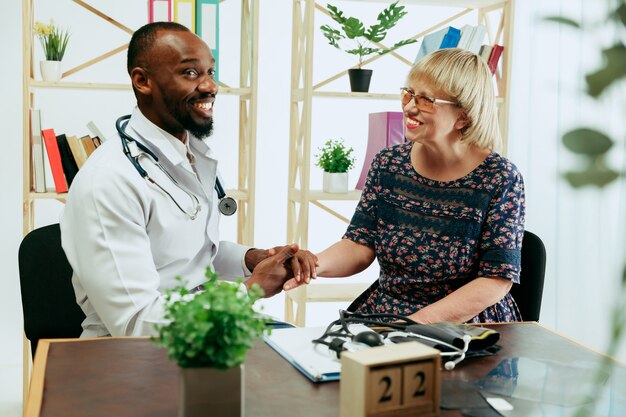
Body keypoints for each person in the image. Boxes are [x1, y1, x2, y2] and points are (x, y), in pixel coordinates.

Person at [60, 22, 316, 337]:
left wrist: (254, 259)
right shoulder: (110, 181)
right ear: (142, 81)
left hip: (199, 332)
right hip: (133, 354)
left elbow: (186, 254)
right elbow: (134, 321)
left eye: (210, 72)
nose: (210, 86)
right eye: (191, 73)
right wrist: (249, 291)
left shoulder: (188, 155)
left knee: (308, 352)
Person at [285, 48, 525, 324]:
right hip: (387, 315)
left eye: (426, 100)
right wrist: (312, 264)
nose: (410, 106)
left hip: (464, 325)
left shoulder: (500, 177)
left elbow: (496, 281)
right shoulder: (389, 164)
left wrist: (413, 325)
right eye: (409, 93)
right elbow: (359, 245)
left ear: (464, 115)